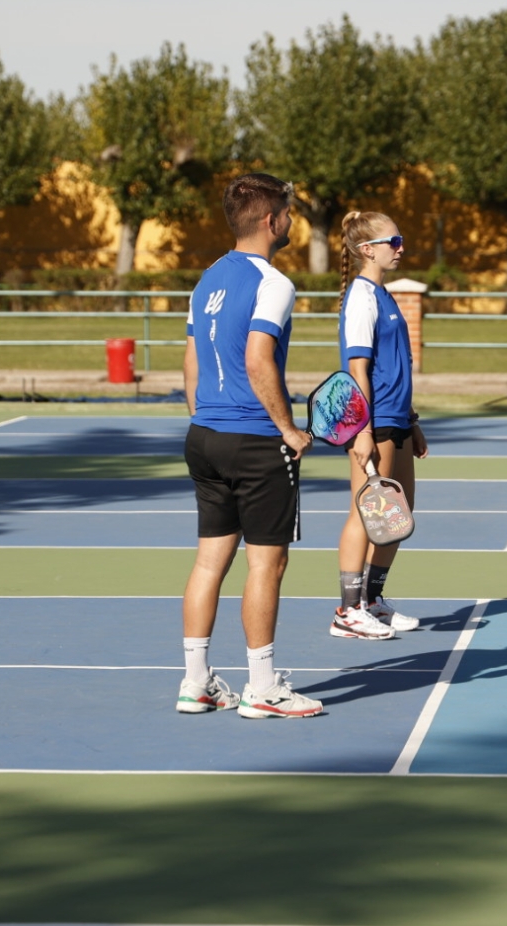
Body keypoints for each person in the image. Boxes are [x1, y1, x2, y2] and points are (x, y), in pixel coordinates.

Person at [177, 172, 321, 720]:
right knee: (267, 564)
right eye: (288, 212)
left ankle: (197, 683)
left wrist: (205, 416)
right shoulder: (275, 282)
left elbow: (191, 361)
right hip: (256, 441)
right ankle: (262, 687)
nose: (290, 221)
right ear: (271, 221)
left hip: (205, 436)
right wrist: (287, 429)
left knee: (210, 561)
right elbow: (259, 359)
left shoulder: (206, 279)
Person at [331, 211, 428, 641]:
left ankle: (372, 601)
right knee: (365, 512)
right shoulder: (361, 297)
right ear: (367, 249)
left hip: (397, 419)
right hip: (374, 421)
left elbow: (396, 367)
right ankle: (347, 611)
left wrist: (413, 421)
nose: (401, 247)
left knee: (396, 517)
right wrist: (363, 430)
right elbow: (358, 369)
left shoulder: (383, 295)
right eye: (395, 240)